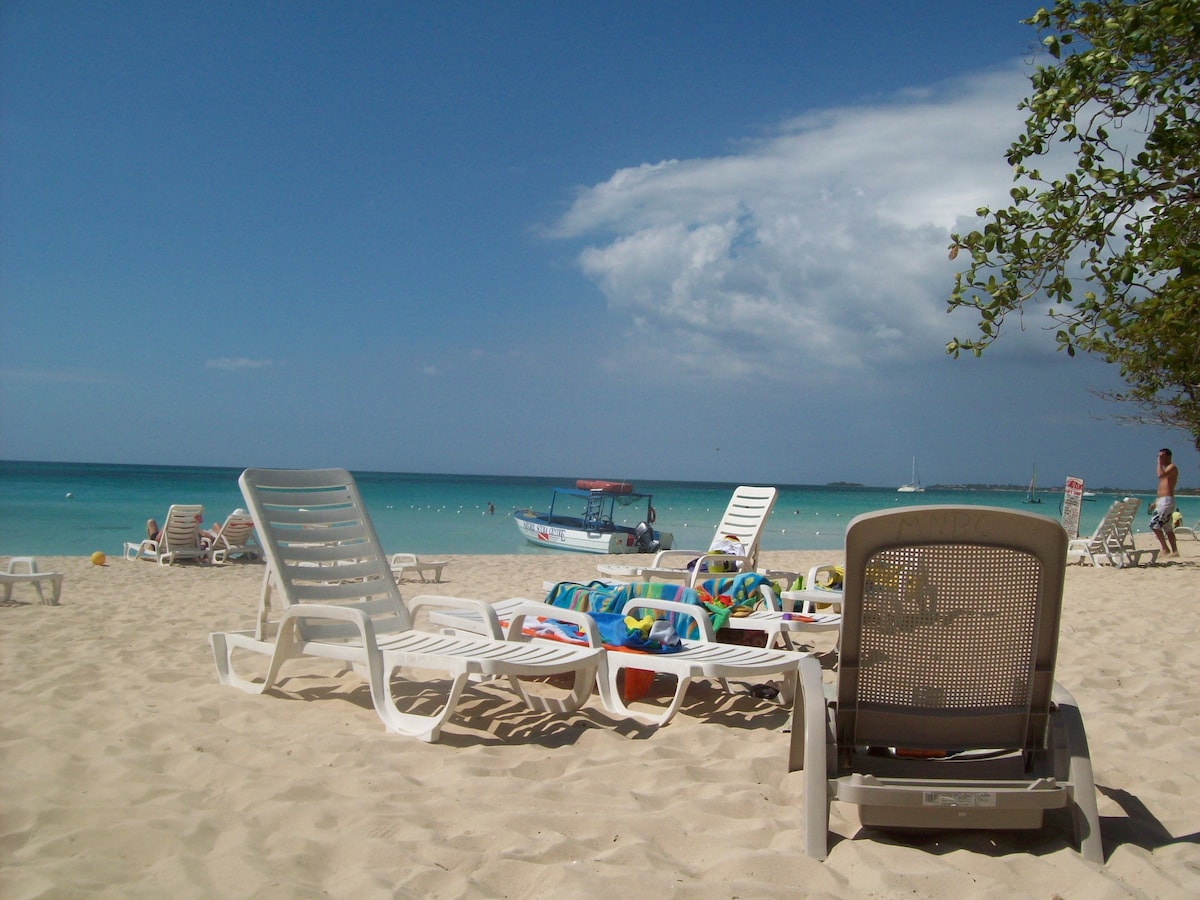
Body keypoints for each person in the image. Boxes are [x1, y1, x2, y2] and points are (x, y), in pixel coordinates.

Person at [1150, 447, 1179, 557]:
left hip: (1166, 501)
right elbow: (1162, 487)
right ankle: (1174, 551)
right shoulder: (1166, 469)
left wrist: (1158, 463)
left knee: (1154, 524)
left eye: (1162, 456)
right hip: (1162, 500)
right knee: (1167, 527)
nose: (1160, 458)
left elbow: (1160, 475)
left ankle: (1165, 548)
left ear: (1168, 456)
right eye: (1158, 456)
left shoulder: (1171, 467)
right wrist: (1155, 502)